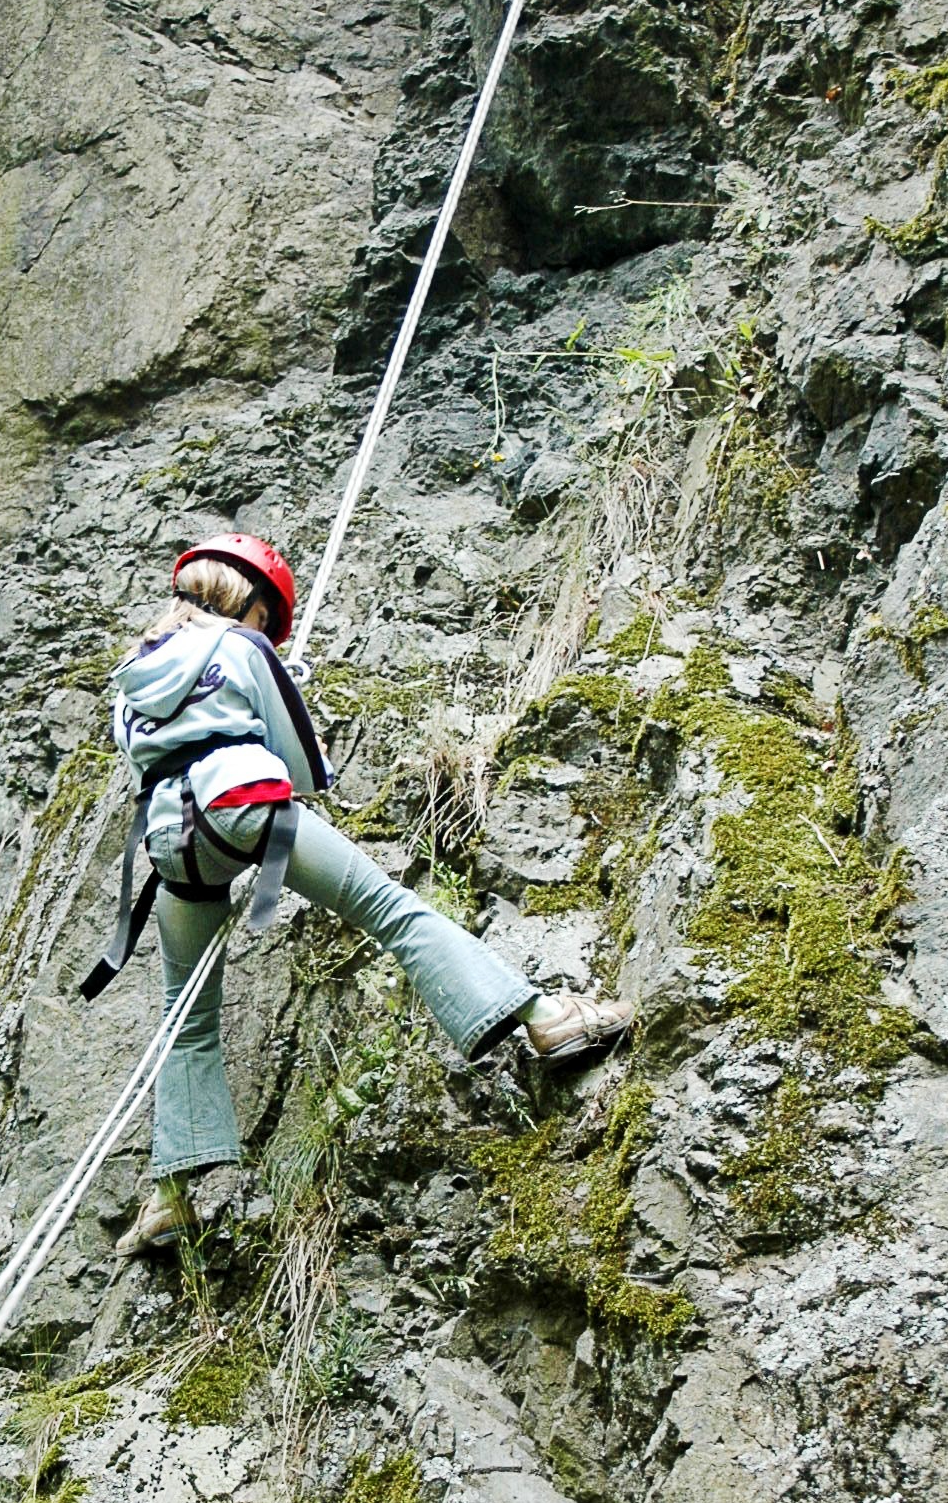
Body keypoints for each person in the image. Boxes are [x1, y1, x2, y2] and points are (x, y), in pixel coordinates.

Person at [84, 531, 633, 1257]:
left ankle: (168, 1197)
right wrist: (280, 685)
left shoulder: (133, 678)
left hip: (171, 844)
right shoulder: (246, 651)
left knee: (186, 1015)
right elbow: (304, 766)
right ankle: (546, 1015)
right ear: (250, 604)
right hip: (244, 801)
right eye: (266, 620)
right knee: (391, 911)